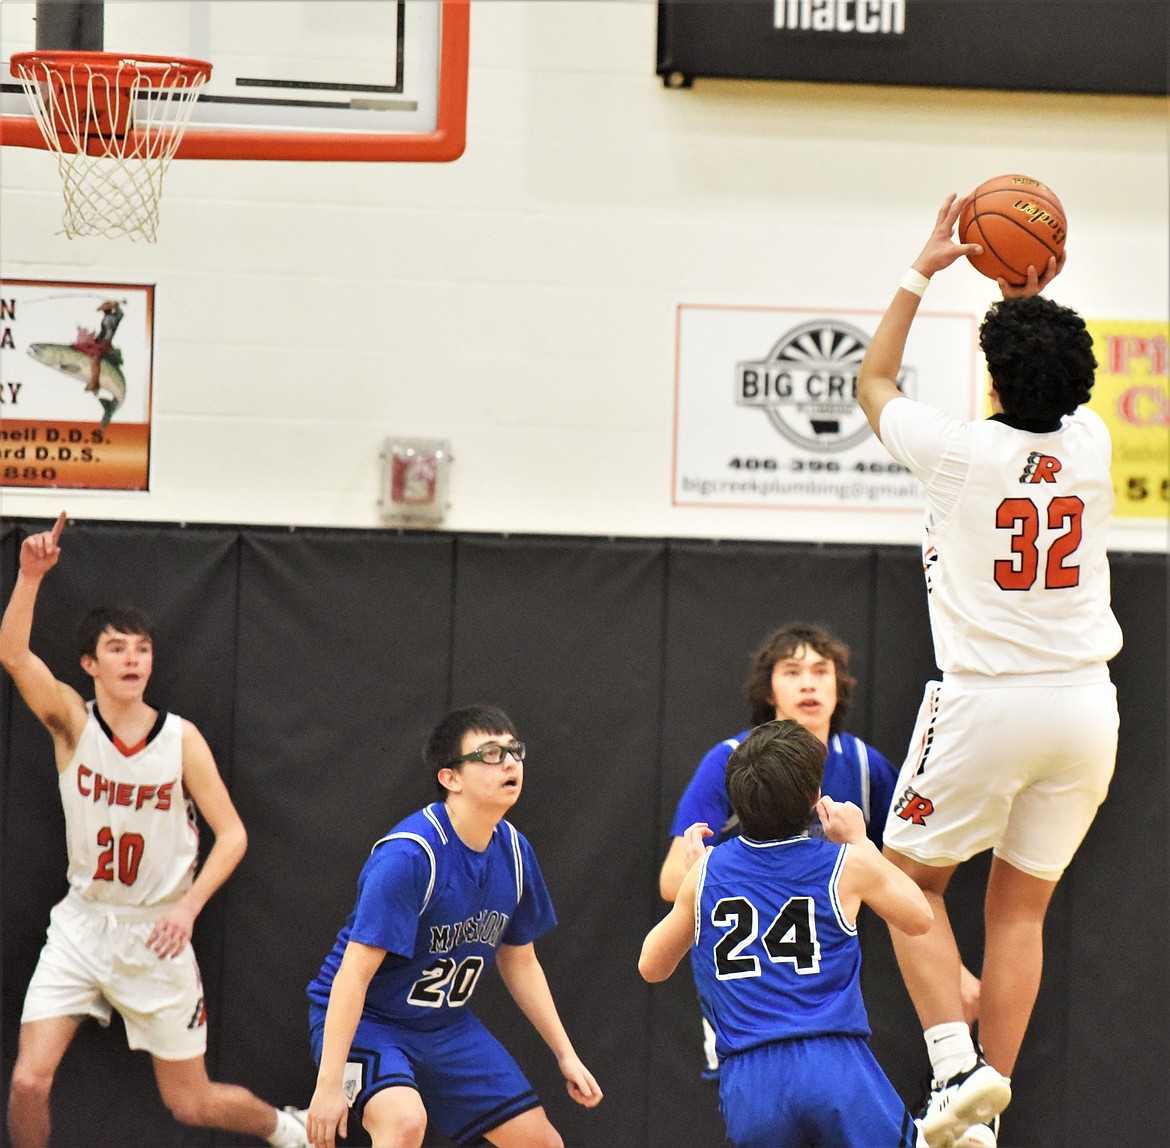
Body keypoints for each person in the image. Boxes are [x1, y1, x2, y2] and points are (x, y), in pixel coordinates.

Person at [855, 195, 1122, 1148]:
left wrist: (924, 269)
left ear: (993, 378)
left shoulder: (960, 453)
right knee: (1020, 914)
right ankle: (986, 1113)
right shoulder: (1092, 445)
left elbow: (873, 380)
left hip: (990, 703)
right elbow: (1049, 375)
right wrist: (1030, 287)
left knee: (904, 881)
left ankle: (953, 1071)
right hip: (1088, 709)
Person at [0, 511, 309, 1148]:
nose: (132, 657)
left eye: (141, 647)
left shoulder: (180, 740)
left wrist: (190, 909)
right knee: (29, 1083)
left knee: (191, 1104)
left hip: (159, 931)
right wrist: (30, 577)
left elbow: (233, 834)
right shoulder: (72, 725)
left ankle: (289, 1130)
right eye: (117, 647)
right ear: (89, 662)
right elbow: (12, 655)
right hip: (84, 923)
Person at [658, 622, 979, 1080]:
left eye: (820, 670)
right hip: (748, 972)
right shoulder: (732, 760)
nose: (808, 682)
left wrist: (953, 971)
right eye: (791, 671)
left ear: (838, 685)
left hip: (822, 971)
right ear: (768, 690)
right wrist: (733, 872)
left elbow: (909, 882)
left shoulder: (867, 767)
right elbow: (673, 879)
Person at [304, 704, 602, 1148]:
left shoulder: (516, 854)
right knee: (404, 1122)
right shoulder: (410, 857)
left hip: (445, 1027)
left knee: (543, 1144)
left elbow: (520, 962)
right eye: (489, 754)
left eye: (514, 751)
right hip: (369, 1020)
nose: (509, 763)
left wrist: (566, 1054)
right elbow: (354, 973)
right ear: (451, 778)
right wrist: (328, 1086)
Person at [640, 719, 934, 1148]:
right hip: (832, 1062)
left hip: (749, 1083)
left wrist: (695, 880)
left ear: (736, 803)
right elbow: (919, 918)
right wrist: (861, 843)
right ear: (815, 798)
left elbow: (651, 966)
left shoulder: (705, 874)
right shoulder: (844, 865)